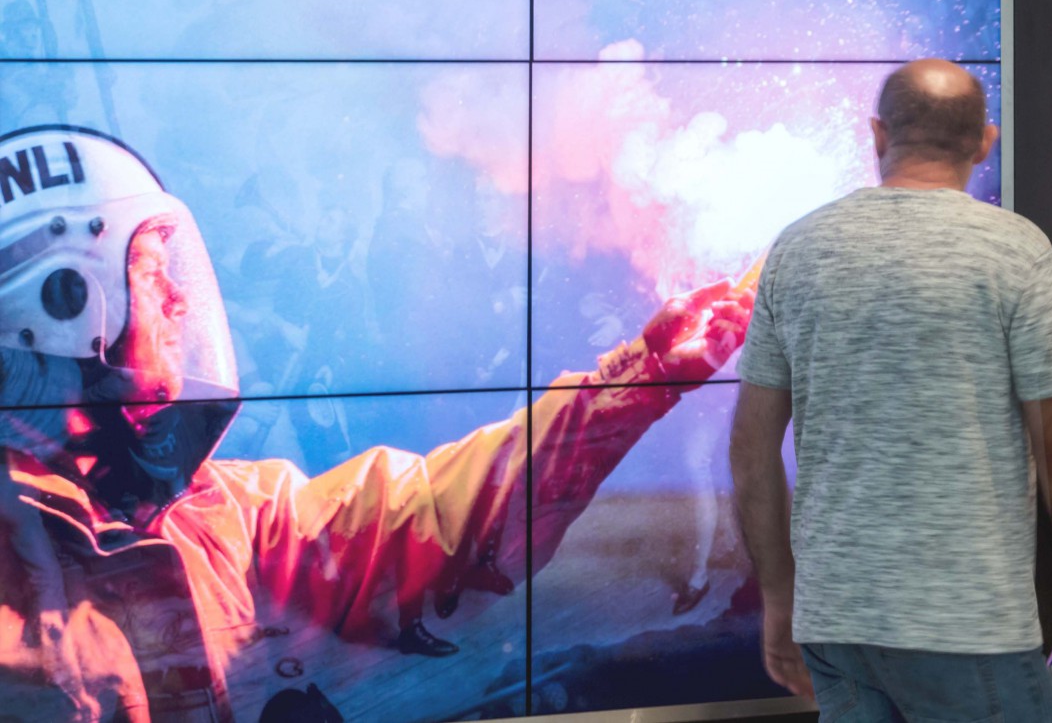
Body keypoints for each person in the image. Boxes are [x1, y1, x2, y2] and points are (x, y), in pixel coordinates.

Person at [0, 122, 752, 722]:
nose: (179, 299)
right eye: (149, 270)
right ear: (63, 305)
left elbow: (431, 519)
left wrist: (637, 377)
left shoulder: (228, 514)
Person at [731, 59, 1052, 720]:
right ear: (984, 142)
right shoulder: (1013, 252)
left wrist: (779, 596)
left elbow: (751, 452)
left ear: (878, 134)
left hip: (838, 625)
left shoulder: (797, 250)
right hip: (968, 624)